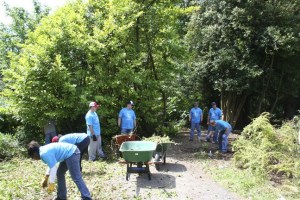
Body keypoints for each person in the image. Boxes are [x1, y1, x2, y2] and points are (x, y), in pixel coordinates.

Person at [27, 141, 92, 200]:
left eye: (32, 157)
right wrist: (46, 177)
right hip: (67, 155)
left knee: (76, 177)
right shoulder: (42, 151)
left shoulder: (43, 153)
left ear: (34, 153)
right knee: (60, 174)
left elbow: (53, 168)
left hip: (72, 153)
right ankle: (61, 197)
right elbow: (51, 164)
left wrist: (51, 183)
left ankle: (86, 197)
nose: (34, 159)